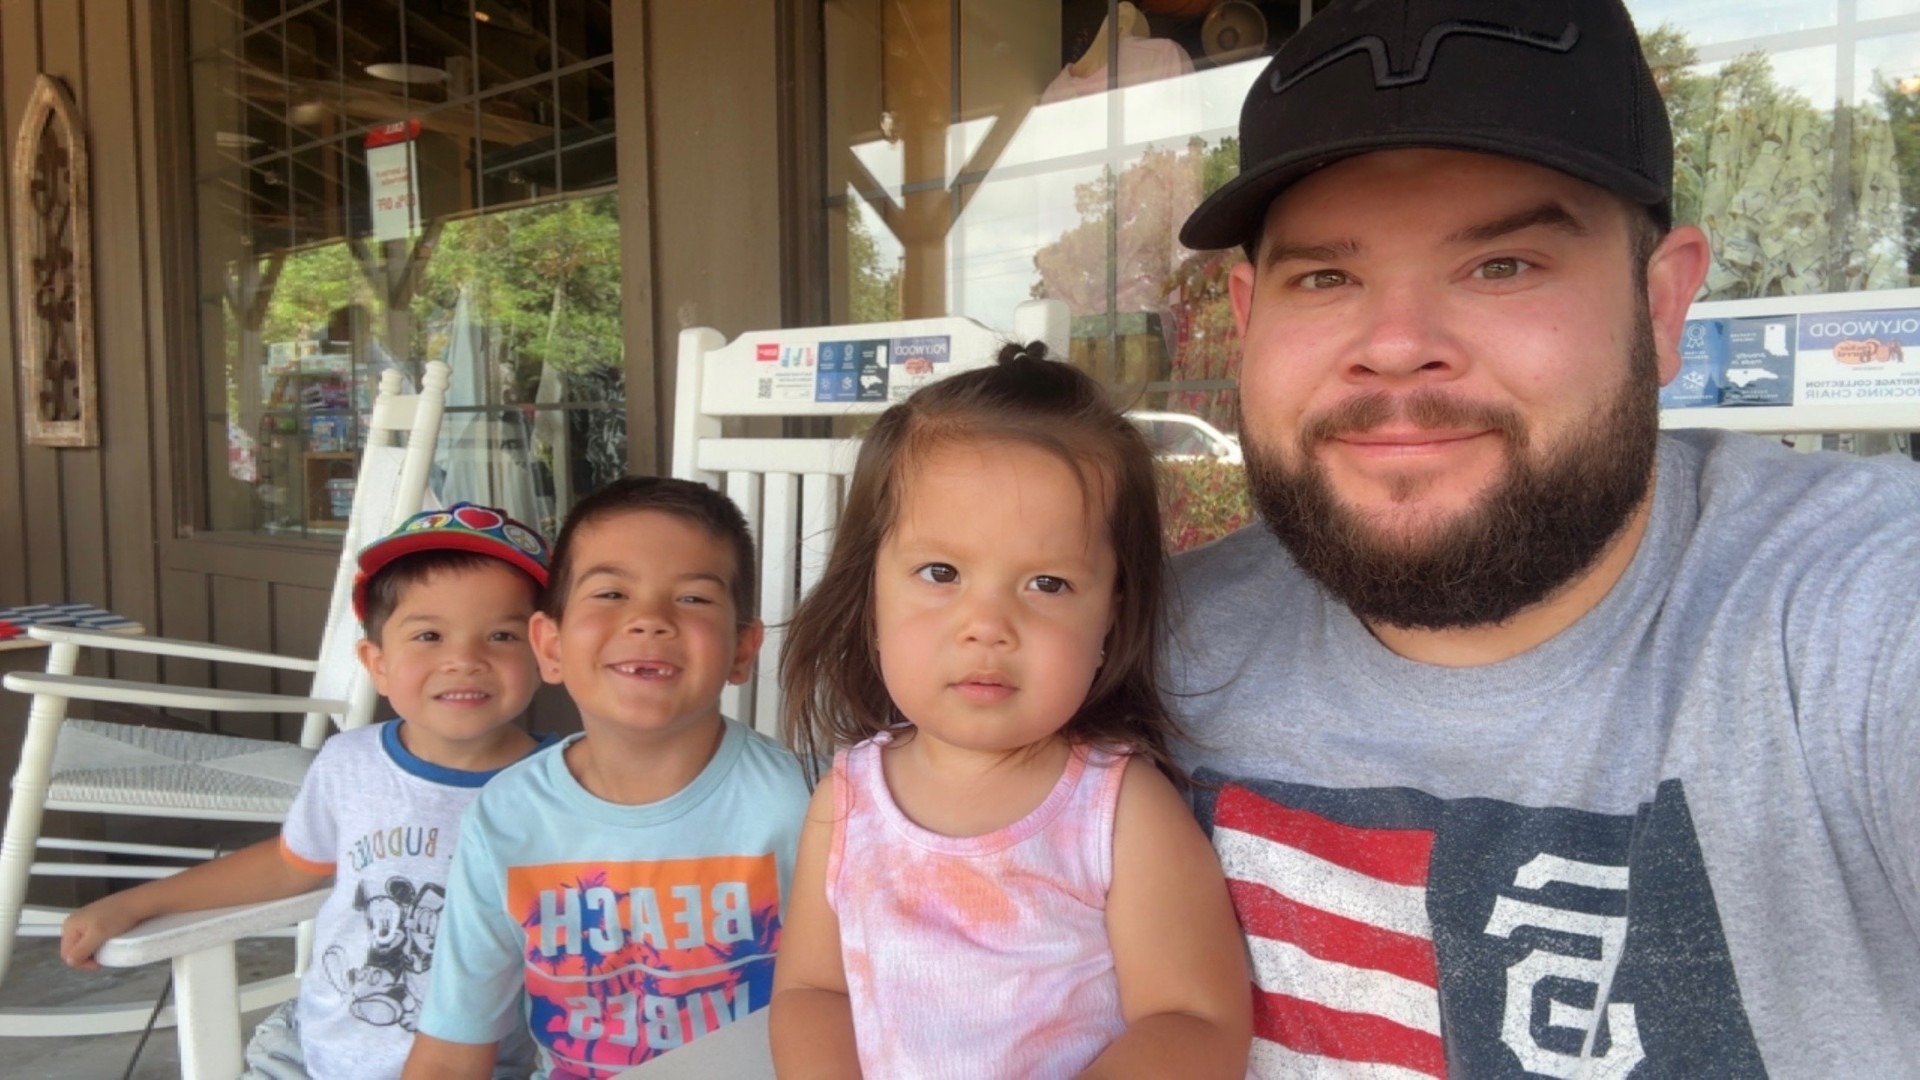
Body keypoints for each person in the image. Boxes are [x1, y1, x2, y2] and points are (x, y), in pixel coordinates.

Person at [1168, 0, 1920, 1076]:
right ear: (1248, 319)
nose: (1396, 347)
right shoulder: (1125, 654)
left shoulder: (1853, 615)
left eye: (1504, 264)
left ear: (1660, 305)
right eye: (1325, 277)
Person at [769, 344, 1252, 1079]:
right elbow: (813, 992)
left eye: (1048, 584)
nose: (987, 626)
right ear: (870, 596)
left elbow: (1195, 1021)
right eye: (941, 573)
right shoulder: (846, 802)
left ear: (1110, 616)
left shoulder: (1118, 811)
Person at [61, 502, 554, 1080]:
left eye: (501, 635)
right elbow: (290, 864)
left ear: (547, 653)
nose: (464, 660)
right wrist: (136, 902)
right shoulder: (350, 763)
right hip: (311, 1053)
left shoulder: (564, 786)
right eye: (428, 635)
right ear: (377, 663)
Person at [404, 477, 810, 1080]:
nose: (649, 620)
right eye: (611, 593)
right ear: (550, 646)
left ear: (743, 651)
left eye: (693, 598)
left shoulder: (804, 804)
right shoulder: (507, 816)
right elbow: (450, 1053)